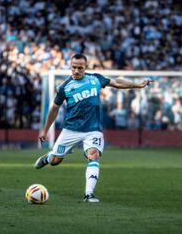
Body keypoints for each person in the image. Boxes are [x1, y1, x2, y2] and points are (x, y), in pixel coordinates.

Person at [34, 54, 152, 202]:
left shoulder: (95, 79)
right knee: (56, 161)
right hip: (71, 129)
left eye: (80, 68)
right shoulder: (64, 87)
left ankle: (88, 194)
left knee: (94, 155)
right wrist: (45, 130)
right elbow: (54, 108)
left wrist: (137, 85)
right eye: (74, 67)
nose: (76, 71)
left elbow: (116, 83)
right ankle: (48, 158)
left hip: (93, 129)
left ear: (86, 67)